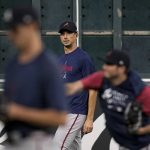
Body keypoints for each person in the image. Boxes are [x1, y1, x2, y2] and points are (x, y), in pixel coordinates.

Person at [2, 7, 67, 150]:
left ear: (32, 26)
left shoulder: (48, 65)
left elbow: (60, 117)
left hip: (37, 142)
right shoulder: (13, 65)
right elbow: (8, 108)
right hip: (13, 141)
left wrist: (17, 112)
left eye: (15, 29)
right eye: (10, 30)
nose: (11, 35)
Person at [67, 50, 150, 150]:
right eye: (105, 63)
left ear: (122, 68)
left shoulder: (140, 91)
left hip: (140, 143)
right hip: (124, 142)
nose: (104, 67)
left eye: (110, 64)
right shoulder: (101, 78)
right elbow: (73, 87)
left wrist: (140, 130)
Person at [53, 21, 97, 150]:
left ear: (76, 35)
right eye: (62, 34)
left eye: (69, 33)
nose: (65, 36)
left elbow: (93, 89)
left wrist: (89, 119)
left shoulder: (84, 58)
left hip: (76, 112)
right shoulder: (60, 59)